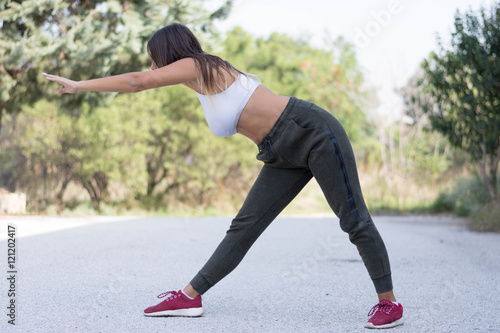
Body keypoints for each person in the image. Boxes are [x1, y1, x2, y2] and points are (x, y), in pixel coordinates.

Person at [43, 22, 404, 329]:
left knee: (352, 219)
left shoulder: (200, 66)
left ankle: (389, 304)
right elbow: (144, 80)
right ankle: (189, 296)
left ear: (169, 53)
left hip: (311, 130)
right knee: (243, 227)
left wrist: (79, 85)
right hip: (279, 150)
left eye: (154, 56)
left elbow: (139, 81)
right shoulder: (196, 84)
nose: (151, 64)